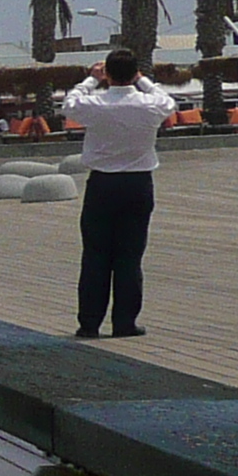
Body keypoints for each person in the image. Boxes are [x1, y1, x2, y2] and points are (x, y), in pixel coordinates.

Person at [64, 46, 179, 339]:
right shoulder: (149, 104)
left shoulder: (97, 103)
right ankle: (125, 322)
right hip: (138, 184)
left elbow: (70, 103)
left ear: (109, 75)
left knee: (95, 255)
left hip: (102, 184)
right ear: (134, 73)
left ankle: (89, 322)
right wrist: (143, 80)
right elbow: (168, 101)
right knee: (129, 257)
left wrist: (91, 79)